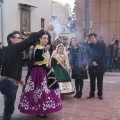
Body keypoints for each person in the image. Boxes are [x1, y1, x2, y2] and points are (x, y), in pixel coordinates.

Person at [0, 25, 54, 120]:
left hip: (6, 81)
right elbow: (28, 41)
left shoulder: (7, 49)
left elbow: (7, 66)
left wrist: (18, 78)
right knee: (9, 109)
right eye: (19, 38)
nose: (21, 39)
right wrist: (43, 30)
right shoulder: (14, 48)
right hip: (10, 83)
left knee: (7, 107)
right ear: (12, 39)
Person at [18, 31, 62, 118]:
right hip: (38, 72)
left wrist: (50, 66)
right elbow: (38, 58)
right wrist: (45, 50)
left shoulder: (44, 47)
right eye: (44, 38)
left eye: (47, 38)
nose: (46, 40)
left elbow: (47, 60)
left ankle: (44, 109)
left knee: (47, 91)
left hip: (46, 71)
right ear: (39, 39)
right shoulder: (38, 47)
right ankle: (39, 110)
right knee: (39, 92)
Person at [87, 33, 106, 100]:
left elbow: (103, 55)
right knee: (92, 81)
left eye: (92, 38)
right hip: (92, 65)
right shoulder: (89, 45)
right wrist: (91, 62)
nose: (91, 39)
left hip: (99, 65)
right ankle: (92, 93)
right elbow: (88, 55)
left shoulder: (102, 44)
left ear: (96, 37)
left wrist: (97, 62)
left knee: (100, 81)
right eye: (90, 38)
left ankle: (100, 94)